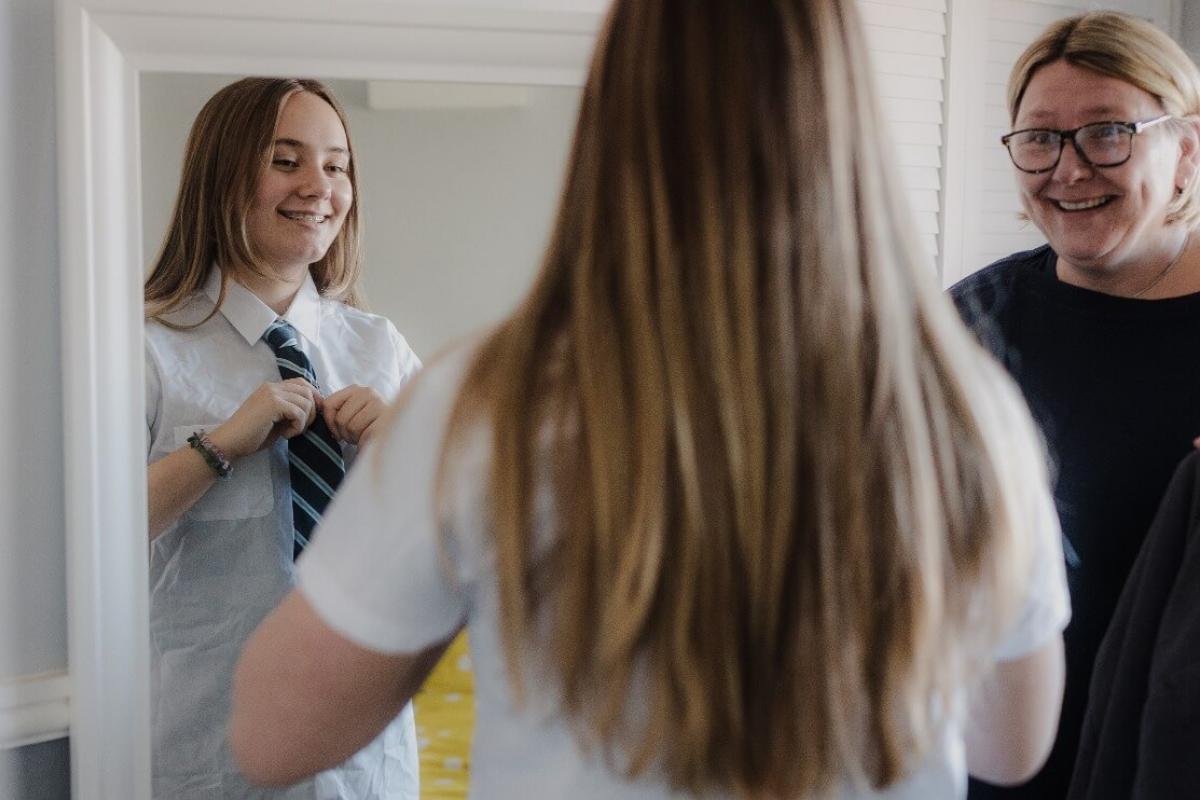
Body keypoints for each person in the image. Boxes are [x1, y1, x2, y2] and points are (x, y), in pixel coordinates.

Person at [230, 1, 1068, 797]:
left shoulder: (490, 405)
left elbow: (272, 736)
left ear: (616, 124)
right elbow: (1014, 746)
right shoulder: (966, 409)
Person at [144, 77, 421, 798]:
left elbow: (456, 545)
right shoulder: (143, 347)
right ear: (222, 175)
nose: (318, 186)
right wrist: (221, 446)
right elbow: (89, 545)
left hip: (368, 759)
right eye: (286, 159)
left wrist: (407, 454)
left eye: (336, 165)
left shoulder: (381, 349)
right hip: (205, 750)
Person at [948, 11, 1200, 799]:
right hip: (996, 759)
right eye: (1039, 138)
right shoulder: (963, 330)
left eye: (1108, 132)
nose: (1069, 169)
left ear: (1187, 150)